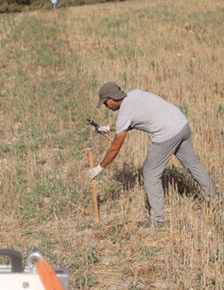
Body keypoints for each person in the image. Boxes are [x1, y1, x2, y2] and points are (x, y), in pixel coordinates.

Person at [88, 82, 217, 227]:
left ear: (111, 99)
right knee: (193, 165)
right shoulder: (134, 94)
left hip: (167, 133)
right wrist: (108, 128)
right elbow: (133, 121)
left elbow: (115, 148)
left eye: (105, 103)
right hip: (182, 124)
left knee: (150, 173)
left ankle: (158, 219)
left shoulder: (124, 112)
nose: (106, 107)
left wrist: (100, 167)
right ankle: (215, 200)